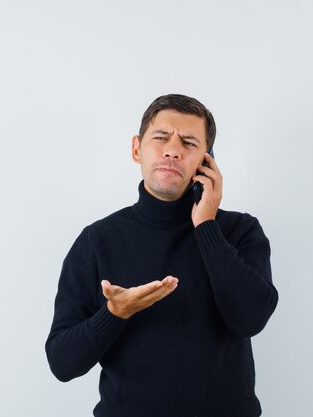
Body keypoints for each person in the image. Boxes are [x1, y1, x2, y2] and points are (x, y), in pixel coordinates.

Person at [45, 94, 279, 417]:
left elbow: (251, 318)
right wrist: (114, 313)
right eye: (161, 138)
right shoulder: (96, 241)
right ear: (136, 149)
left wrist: (206, 227)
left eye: (188, 142)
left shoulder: (239, 231)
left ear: (206, 161)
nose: (172, 150)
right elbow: (62, 362)